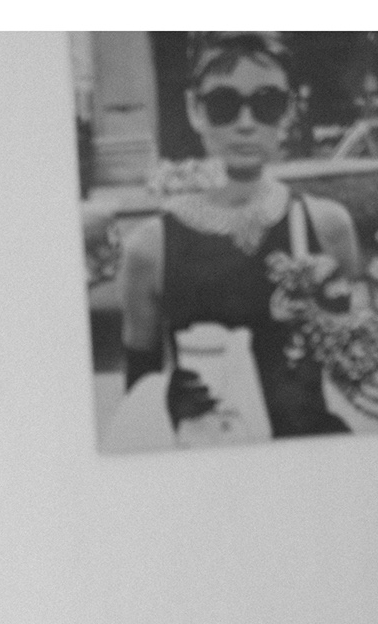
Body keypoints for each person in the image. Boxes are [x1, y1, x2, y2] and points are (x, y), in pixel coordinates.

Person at [117, 31, 363, 439]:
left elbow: (355, 370)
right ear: (195, 110)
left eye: (267, 104)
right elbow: (138, 395)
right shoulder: (152, 247)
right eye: (223, 105)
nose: (246, 124)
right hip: (210, 456)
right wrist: (165, 397)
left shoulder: (326, 224)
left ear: (288, 111)